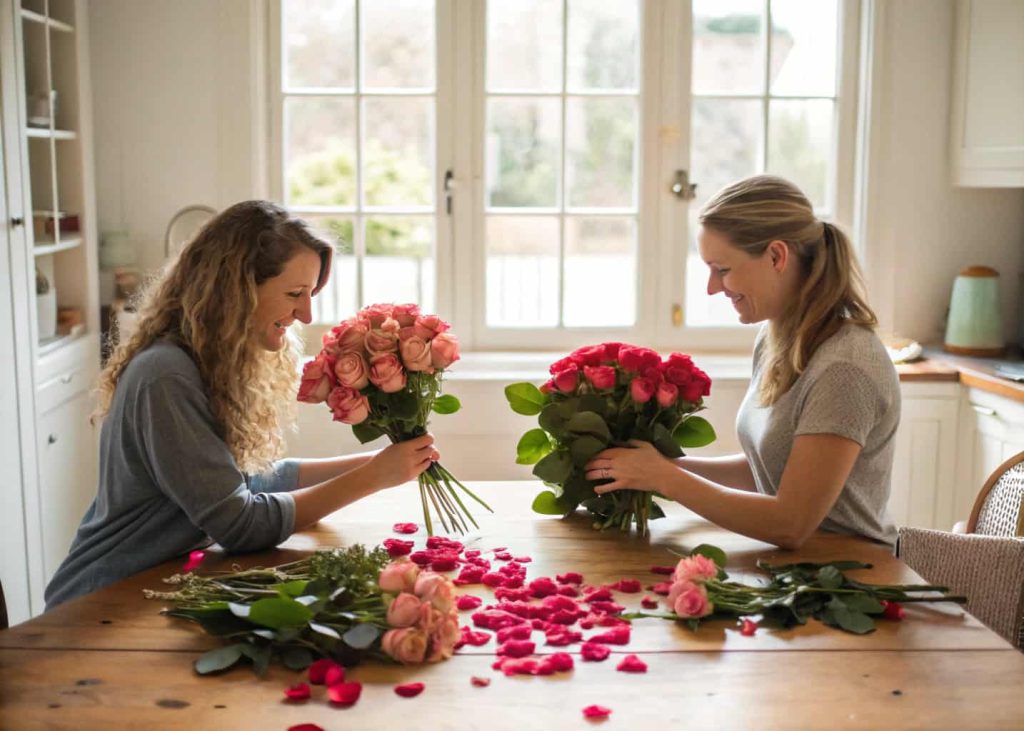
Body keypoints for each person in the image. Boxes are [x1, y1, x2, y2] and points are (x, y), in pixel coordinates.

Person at [45, 201, 438, 608]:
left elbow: (245, 481)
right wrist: (372, 478)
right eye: (295, 294)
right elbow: (239, 522)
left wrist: (382, 462)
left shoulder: (203, 361)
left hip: (150, 586)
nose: (305, 313)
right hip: (100, 600)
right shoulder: (167, 376)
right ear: (237, 289)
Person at [586, 175, 899, 549]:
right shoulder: (777, 337)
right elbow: (766, 470)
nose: (711, 288)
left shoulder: (844, 368)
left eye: (723, 269)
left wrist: (664, 479)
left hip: (854, 579)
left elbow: (790, 524)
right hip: (794, 569)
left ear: (776, 256)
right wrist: (654, 467)